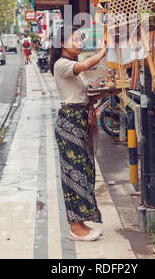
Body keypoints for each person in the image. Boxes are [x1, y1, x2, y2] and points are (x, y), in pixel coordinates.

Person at [49, 25, 107, 242]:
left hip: (79, 120)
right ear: (63, 43)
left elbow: (81, 93)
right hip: (70, 123)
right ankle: (75, 227)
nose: (80, 43)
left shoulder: (70, 65)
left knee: (83, 172)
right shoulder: (62, 64)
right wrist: (102, 52)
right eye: (76, 39)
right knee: (73, 174)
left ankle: (80, 222)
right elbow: (85, 65)